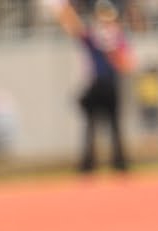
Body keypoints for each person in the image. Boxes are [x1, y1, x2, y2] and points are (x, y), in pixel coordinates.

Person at [53, 0, 134, 174]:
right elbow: (128, 64)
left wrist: (63, 8)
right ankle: (118, 164)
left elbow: (74, 27)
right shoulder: (117, 37)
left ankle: (89, 165)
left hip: (99, 84)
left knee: (93, 126)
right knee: (113, 126)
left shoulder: (95, 35)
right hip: (109, 84)